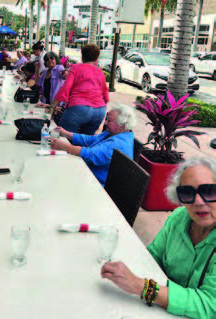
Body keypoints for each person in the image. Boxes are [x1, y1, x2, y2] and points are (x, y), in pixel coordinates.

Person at [100, 157, 216, 319]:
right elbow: (152, 257)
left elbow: (210, 305)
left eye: (209, 191)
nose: (198, 201)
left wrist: (141, 286)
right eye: (187, 193)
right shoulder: (178, 219)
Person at [51, 105, 135, 187]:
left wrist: (65, 147)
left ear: (122, 125)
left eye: (109, 120)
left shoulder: (119, 143)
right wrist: (67, 134)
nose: (105, 123)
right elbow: (91, 140)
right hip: (88, 172)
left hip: (96, 183)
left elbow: (90, 155)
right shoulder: (113, 132)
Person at [50, 44, 110, 135]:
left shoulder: (75, 68)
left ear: (82, 56)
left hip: (79, 108)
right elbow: (106, 96)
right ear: (96, 59)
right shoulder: (100, 72)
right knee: (85, 141)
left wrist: (52, 106)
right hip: (99, 111)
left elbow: (65, 88)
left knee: (62, 136)